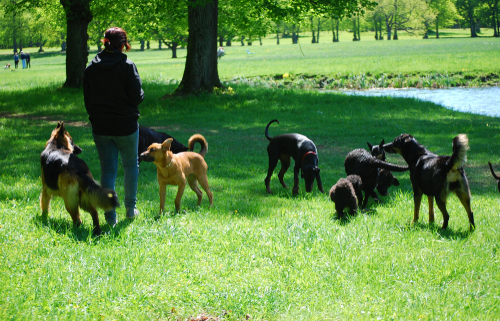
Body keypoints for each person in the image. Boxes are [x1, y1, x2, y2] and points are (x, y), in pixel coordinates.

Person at [83, 27, 144, 226]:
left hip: (101, 126)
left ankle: (110, 217)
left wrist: (95, 117)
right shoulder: (127, 65)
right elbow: (137, 97)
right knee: (130, 165)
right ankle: (130, 209)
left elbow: (88, 99)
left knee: (108, 170)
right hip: (126, 126)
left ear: (105, 42)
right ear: (123, 44)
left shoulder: (91, 67)